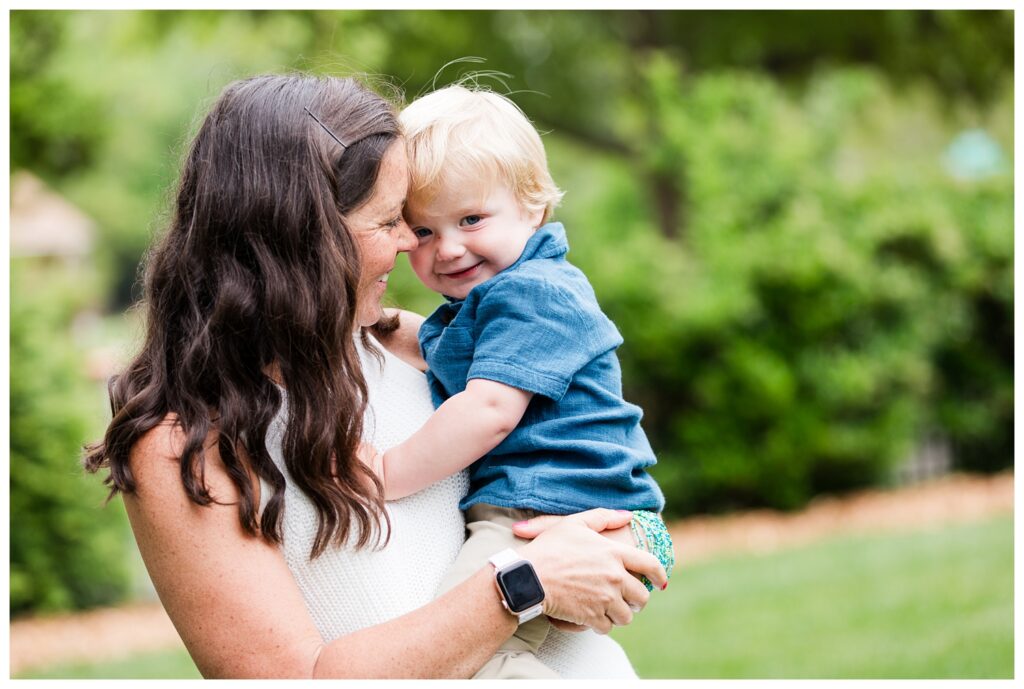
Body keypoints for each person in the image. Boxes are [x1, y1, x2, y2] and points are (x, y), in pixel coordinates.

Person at [82, 73, 666, 679]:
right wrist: (525, 582)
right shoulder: (188, 444)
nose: (414, 249)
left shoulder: (415, 350)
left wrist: (630, 535)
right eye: (395, 223)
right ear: (300, 237)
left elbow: (582, 449)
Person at [360, 84, 676, 678]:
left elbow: (489, 411)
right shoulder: (489, 299)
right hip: (564, 509)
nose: (447, 248)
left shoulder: (532, 295)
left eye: (471, 219)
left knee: (462, 641)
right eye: (422, 231)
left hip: (553, 512)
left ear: (532, 206)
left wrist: (386, 472)